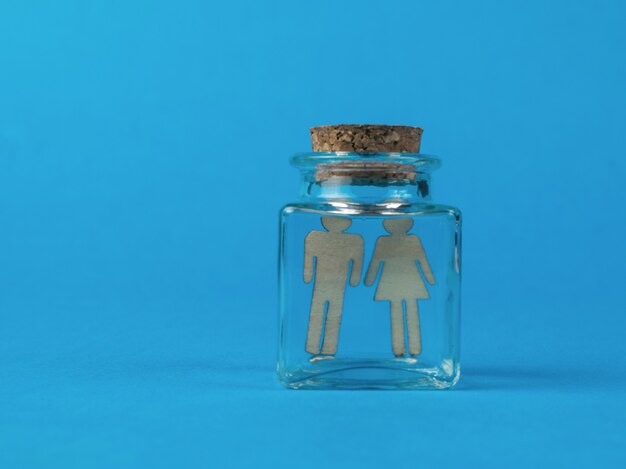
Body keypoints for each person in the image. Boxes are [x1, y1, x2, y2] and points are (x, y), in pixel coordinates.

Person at [364, 218, 435, 357]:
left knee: (398, 315)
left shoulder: (385, 241)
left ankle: (403, 349)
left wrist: (369, 280)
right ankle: (407, 350)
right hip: (408, 280)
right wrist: (430, 279)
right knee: (409, 314)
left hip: (397, 281)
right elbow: (422, 260)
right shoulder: (410, 240)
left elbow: (375, 262)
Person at [303, 216, 364, 355]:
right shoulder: (316, 237)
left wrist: (308, 274)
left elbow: (357, 263)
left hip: (335, 283)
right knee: (323, 312)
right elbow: (309, 258)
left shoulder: (353, 241)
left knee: (330, 314)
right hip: (324, 282)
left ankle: (326, 348)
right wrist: (308, 274)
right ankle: (316, 347)